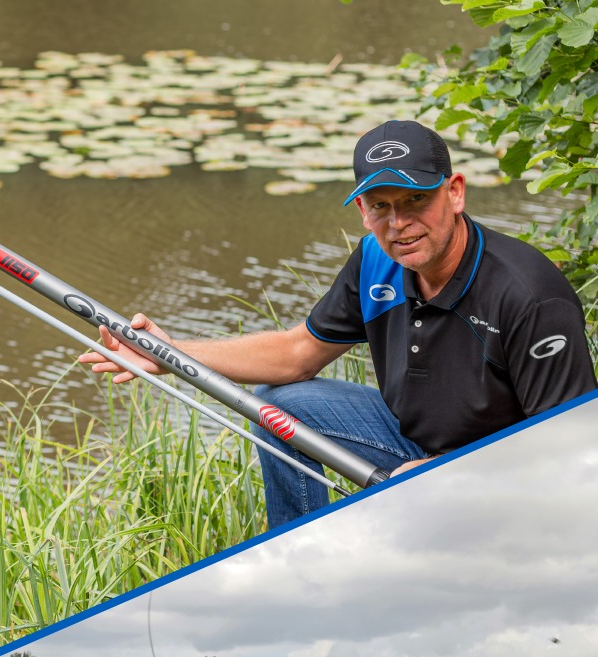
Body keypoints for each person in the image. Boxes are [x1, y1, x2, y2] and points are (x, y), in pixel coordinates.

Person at [80, 119, 596, 528]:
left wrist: (451, 474)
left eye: (417, 199)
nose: (399, 224)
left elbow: (567, 453)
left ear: (454, 192)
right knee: (277, 408)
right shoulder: (375, 261)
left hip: (502, 476)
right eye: (380, 207)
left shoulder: (528, 297)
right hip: (413, 442)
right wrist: (170, 353)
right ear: (363, 213)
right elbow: (297, 354)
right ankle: (300, 547)